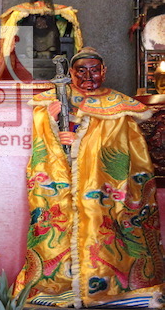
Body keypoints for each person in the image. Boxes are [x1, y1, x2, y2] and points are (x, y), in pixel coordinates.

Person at [14, 47, 165, 307]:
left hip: (104, 187)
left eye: (94, 70)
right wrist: (50, 123)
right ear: (71, 73)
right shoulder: (53, 99)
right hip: (63, 183)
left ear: (104, 71)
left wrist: (81, 143)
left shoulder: (118, 105)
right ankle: (57, 289)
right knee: (55, 230)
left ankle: (110, 291)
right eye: (81, 71)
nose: (88, 76)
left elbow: (124, 147)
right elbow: (43, 141)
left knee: (108, 232)